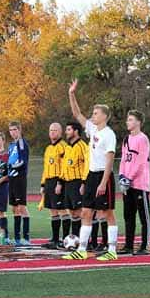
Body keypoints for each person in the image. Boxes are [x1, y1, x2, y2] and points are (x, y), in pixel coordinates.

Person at [64, 79, 118, 261]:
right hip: (91, 175)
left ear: (104, 116)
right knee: (86, 212)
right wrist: (72, 93)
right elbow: (77, 113)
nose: (92, 116)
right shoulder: (93, 129)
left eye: (96, 113)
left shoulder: (109, 134)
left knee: (108, 213)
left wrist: (103, 182)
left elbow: (110, 160)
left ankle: (112, 250)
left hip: (104, 176)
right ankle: (82, 249)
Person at [118, 110, 150, 255]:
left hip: (139, 184)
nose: (128, 122)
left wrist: (129, 177)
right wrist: (121, 177)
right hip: (127, 184)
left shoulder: (142, 139)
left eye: (131, 119)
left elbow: (140, 162)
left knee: (144, 217)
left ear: (138, 122)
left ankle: (145, 245)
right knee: (128, 215)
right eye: (128, 119)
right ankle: (128, 245)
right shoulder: (126, 139)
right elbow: (123, 160)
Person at [40, 123, 68, 248]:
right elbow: (45, 168)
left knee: (62, 210)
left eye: (55, 130)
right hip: (49, 182)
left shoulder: (63, 147)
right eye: (50, 130)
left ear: (60, 132)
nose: (52, 132)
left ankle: (66, 239)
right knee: (53, 210)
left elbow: (64, 166)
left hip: (58, 180)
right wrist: (43, 184)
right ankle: (55, 239)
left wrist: (60, 183)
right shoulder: (48, 148)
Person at [60, 121, 89, 240]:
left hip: (78, 182)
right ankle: (76, 239)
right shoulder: (67, 147)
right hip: (68, 183)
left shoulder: (82, 146)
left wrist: (84, 183)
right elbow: (64, 166)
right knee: (72, 212)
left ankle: (85, 240)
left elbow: (88, 165)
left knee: (81, 212)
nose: (66, 132)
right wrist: (60, 182)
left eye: (68, 130)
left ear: (76, 131)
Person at [7, 121, 31, 246]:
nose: (13, 132)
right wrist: (5, 167)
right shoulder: (11, 145)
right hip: (11, 178)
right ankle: (16, 238)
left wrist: (11, 166)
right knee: (14, 208)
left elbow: (23, 161)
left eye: (15, 129)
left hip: (19, 178)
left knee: (21, 207)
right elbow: (10, 160)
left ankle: (26, 238)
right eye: (11, 130)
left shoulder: (21, 143)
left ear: (19, 130)